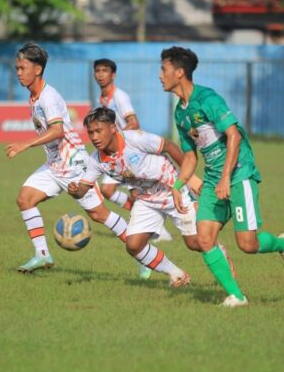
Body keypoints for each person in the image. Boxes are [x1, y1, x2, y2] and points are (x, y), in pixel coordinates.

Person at [159, 46, 284, 307]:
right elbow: (190, 156)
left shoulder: (208, 99)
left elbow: (233, 134)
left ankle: (282, 244)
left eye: (163, 69)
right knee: (204, 239)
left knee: (247, 244)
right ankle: (237, 295)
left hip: (238, 174)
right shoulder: (180, 112)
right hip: (213, 179)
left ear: (179, 73)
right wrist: (178, 186)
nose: (160, 75)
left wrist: (226, 178)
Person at [68, 107, 241, 300]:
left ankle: (220, 252)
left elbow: (170, 147)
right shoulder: (96, 160)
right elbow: (84, 187)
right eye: (90, 132)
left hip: (172, 189)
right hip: (146, 198)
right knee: (133, 245)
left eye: (98, 131)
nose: (94, 137)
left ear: (113, 128)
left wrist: (189, 178)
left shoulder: (135, 139)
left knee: (195, 242)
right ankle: (176, 274)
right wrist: (76, 191)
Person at [5, 42, 142, 276]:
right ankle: (42, 254)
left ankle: (144, 256)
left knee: (100, 214)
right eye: (17, 68)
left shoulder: (48, 97)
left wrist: (25, 144)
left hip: (74, 166)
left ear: (37, 69)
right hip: (54, 165)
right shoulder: (35, 96)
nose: (18, 72)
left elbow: (57, 130)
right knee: (25, 199)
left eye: (22, 68)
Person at [93, 58, 173, 243]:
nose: (101, 74)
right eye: (98, 70)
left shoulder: (119, 96)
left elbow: (134, 122)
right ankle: (148, 226)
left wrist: (116, 138)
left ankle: (158, 230)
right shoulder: (103, 98)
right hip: (117, 153)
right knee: (109, 190)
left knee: (135, 193)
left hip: (128, 153)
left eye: (105, 70)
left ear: (113, 75)